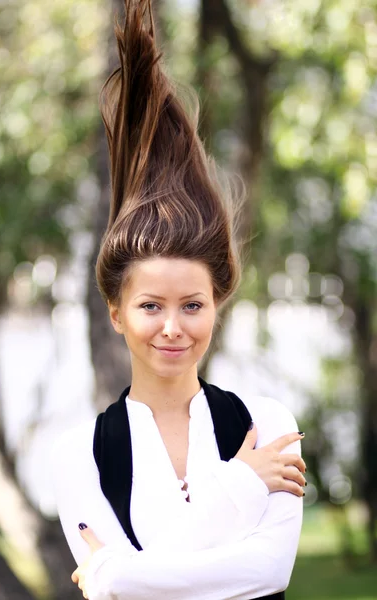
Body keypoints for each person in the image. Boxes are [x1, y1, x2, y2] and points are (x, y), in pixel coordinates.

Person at [50, 1, 307, 598]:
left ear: (217, 304)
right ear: (115, 313)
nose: (172, 327)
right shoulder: (81, 453)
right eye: (149, 306)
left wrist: (117, 571)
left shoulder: (266, 425)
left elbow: (267, 575)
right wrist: (244, 484)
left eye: (192, 304)